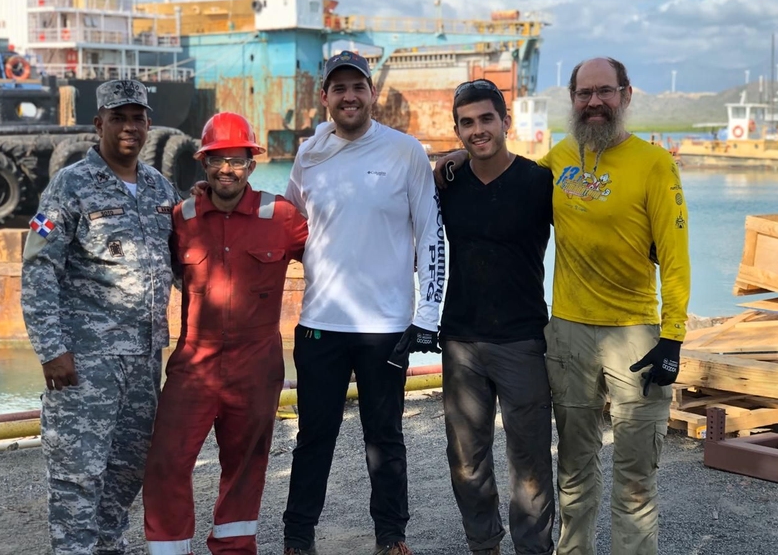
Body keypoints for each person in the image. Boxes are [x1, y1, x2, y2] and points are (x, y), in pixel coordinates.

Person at [434, 57, 690, 555]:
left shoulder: (655, 164)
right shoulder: (561, 160)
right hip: (567, 334)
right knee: (574, 472)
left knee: (635, 478)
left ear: (626, 95)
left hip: (634, 334)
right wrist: (456, 157)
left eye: (605, 92)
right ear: (572, 100)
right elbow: (497, 168)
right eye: (584, 94)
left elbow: (676, 258)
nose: (594, 102)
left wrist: (674, 334)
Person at [281, 50, 442, 555]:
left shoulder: (405, 152)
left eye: (358, 87)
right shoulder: (310, 154)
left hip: (385, 326)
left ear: (373, 93)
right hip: (320, 325)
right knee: (314, 438)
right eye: (339, 88)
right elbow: (288, 224)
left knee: (385, 439)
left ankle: (391, 535)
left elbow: (432, 235)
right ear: (325, 97)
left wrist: (427, 316)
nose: (349, 96)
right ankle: (297, 536)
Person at [21, 79, 180, 555]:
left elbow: (182, 259)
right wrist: (52, 351)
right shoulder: (68, 186)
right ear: (99, 124)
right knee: (78, 474)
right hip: (85, 364)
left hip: (143, 360)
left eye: (138, 118)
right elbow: (38, 267)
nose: (130, 127)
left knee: (127, 470)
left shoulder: (159, 188)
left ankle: (111, 547)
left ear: (149, 124)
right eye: (119, 118)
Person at [142, 112, 308, 555]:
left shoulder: (283, 217)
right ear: (204, 165)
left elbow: (335, 258)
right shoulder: (183, 216)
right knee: (165, 462)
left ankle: (234, 549)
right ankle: (170, 550)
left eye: (236, 160)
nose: (226, 169)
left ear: (252, 164)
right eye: (216, 160)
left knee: (245, 466)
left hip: (257, 364)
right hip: (194, 363)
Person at [440, 79, 555, 555]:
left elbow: (589, 234)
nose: (478, 130)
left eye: (487, 119)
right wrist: (448, 159)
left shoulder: (537, 182)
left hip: (522, 339)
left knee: (529, 462)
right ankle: (483, 544)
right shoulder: (445, 183)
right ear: (458, 130)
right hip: (461, 340)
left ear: (505, 122)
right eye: (467, 123)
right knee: (466, 461)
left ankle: (533, 549)